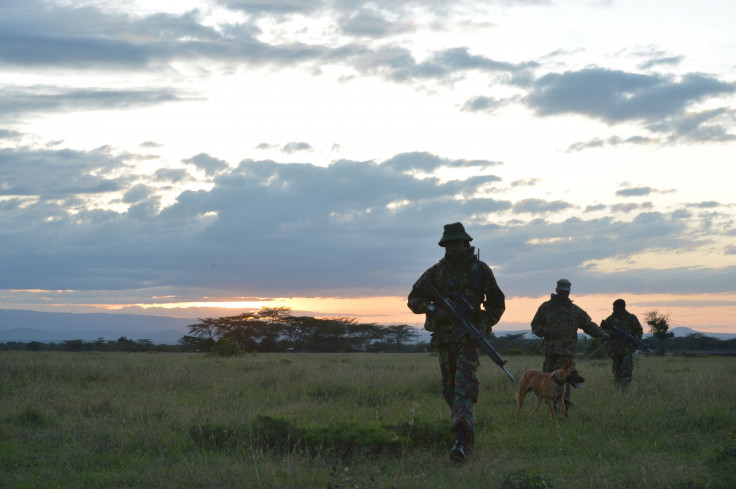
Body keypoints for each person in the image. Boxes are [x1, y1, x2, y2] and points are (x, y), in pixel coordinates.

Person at [407, 222, 505, 462]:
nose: (452, 247)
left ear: (466, 243)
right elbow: (414, 299)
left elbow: (496, 302)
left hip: (469, 340)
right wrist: (434, 309)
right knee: (450, 389)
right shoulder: (435, 272)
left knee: (464, 385)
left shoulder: (480, 270)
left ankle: (461, 439)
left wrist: (483, 325)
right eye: (448, 244)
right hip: (444, 340)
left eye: (457, 243)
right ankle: (464, 433)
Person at [530, 279, 610, 409]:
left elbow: (588, 325)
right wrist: (548, 331)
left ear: (569, 292)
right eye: (561, 291)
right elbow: (535, 326)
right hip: (550, 353)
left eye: (566, 292)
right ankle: (552, 408)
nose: (563, 294)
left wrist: (601, 333)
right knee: (547, 382)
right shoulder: (545, 307)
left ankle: (563, 408)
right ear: (556, 290)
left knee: (565, 383)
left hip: (567, 355)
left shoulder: (575, 311)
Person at [600, 299, 644, 389]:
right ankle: (618, 390)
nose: (613, 308)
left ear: (621, 307)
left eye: (615, 307)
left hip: (627, 350)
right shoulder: (610, 319)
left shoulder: (631, 318)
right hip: (615, 350)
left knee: (627, 371)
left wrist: (633, 338)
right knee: (617, 372)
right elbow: (603, 330)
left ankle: (626, 390)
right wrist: (612, 334)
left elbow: (639, 330)